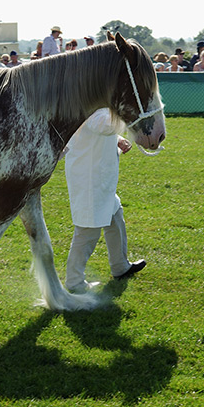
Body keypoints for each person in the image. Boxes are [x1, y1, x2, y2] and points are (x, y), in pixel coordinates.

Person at [64, 108, 146, 293]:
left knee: (115, 217)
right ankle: (74, 282)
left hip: (100, 179)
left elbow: (103, 128)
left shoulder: (98, 101)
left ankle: (120, 266)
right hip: (89, 179)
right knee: (87, 232)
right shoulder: (89, 102)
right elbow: (101, 124)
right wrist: (130, 115)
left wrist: (118, 139)